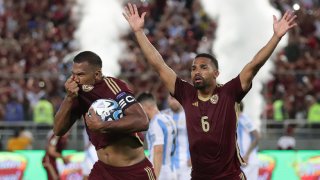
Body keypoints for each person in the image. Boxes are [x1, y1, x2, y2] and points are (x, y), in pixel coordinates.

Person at [123, 3, 297, 179]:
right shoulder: (186, 93)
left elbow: (253, 66)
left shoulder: (229, 93)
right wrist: (139, 32)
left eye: (203, 67)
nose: (196, 71)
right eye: (193, 68)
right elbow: (159, 65)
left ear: (216, 73)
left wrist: (276, 37)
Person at [53, 51, 156, 180]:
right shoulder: (78, 94)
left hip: (133, 171)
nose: (75, 79)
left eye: (80, 75)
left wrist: (103, 125)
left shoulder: (114, 87)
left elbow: (142, 121)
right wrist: (68, 98)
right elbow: (58, 130)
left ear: (96, 74)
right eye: (73, 74)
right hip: (103, 171)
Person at [137, 92, 177, 180]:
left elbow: (158, 150)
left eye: (140, 109)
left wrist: (155, 176)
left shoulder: (155, 123)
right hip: (171, 169)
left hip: (161, 172)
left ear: (146, 107)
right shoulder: (169, 119)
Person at [162, 95, 191, 180]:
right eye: (171, 99)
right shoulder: (162, 116)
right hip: (167, 165)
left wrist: (194, 158)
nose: (174, 102)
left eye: (176, 99)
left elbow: (198, 139)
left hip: (186, 163)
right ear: (167, 100)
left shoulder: (190, 115)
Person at [237, 102, 260, 180]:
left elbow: (257, 136)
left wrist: (247, 155)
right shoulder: (237, 120)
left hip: (249, 161)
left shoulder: (244, 119)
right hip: (242, 162)